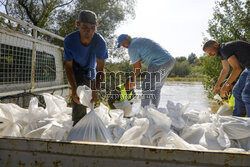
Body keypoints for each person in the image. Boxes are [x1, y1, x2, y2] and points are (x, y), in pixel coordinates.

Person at [64, 10, 108, 125]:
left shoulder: (100, 42)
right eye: (85, 27)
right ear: (77, 24)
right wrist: (73, 88)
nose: (88, 32)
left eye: (92, 28)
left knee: (90, 97)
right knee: (79, 93)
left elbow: (100, 69)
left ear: (96, 27)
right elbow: (68, 67)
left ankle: (87, 122)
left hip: (91, 70)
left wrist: (96, 89)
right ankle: (78, 124)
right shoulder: (69, 41)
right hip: (76, 68)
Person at [117, 34, 175, 108]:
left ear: (128, 38)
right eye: (122, 45)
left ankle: (145, 111)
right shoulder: (138, 40)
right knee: (156, 88)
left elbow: (137, 68)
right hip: (169, 61)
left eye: (123, 43)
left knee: (147, 87)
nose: (124, 46)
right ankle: (153, 111)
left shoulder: (132, 47)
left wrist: (132, 79)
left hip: (158, 62)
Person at [203, 40, 250, 117]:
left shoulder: (225, 49)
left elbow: (237, 69)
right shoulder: (221, 52)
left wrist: (226, 85)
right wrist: (218, 85)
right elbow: (225, 69)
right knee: (236, 91)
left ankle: (248, 124)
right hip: (248, 68)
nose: (210, 55)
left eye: (210, 52)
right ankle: (236, 119)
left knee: (247, 95)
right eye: (208, 54)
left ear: (215, 45)